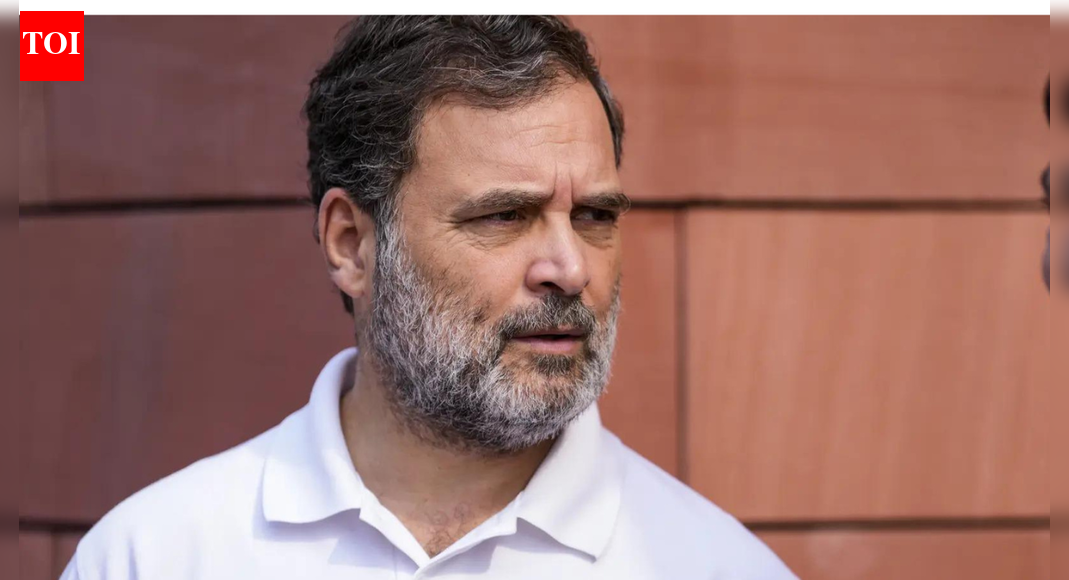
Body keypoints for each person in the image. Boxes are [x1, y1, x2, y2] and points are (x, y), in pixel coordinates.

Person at [60, 16, 795, 579]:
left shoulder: (715, 566)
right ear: (352, 243)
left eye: (595, 216)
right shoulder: (155, 556)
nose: (570, 269)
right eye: (503, 215)